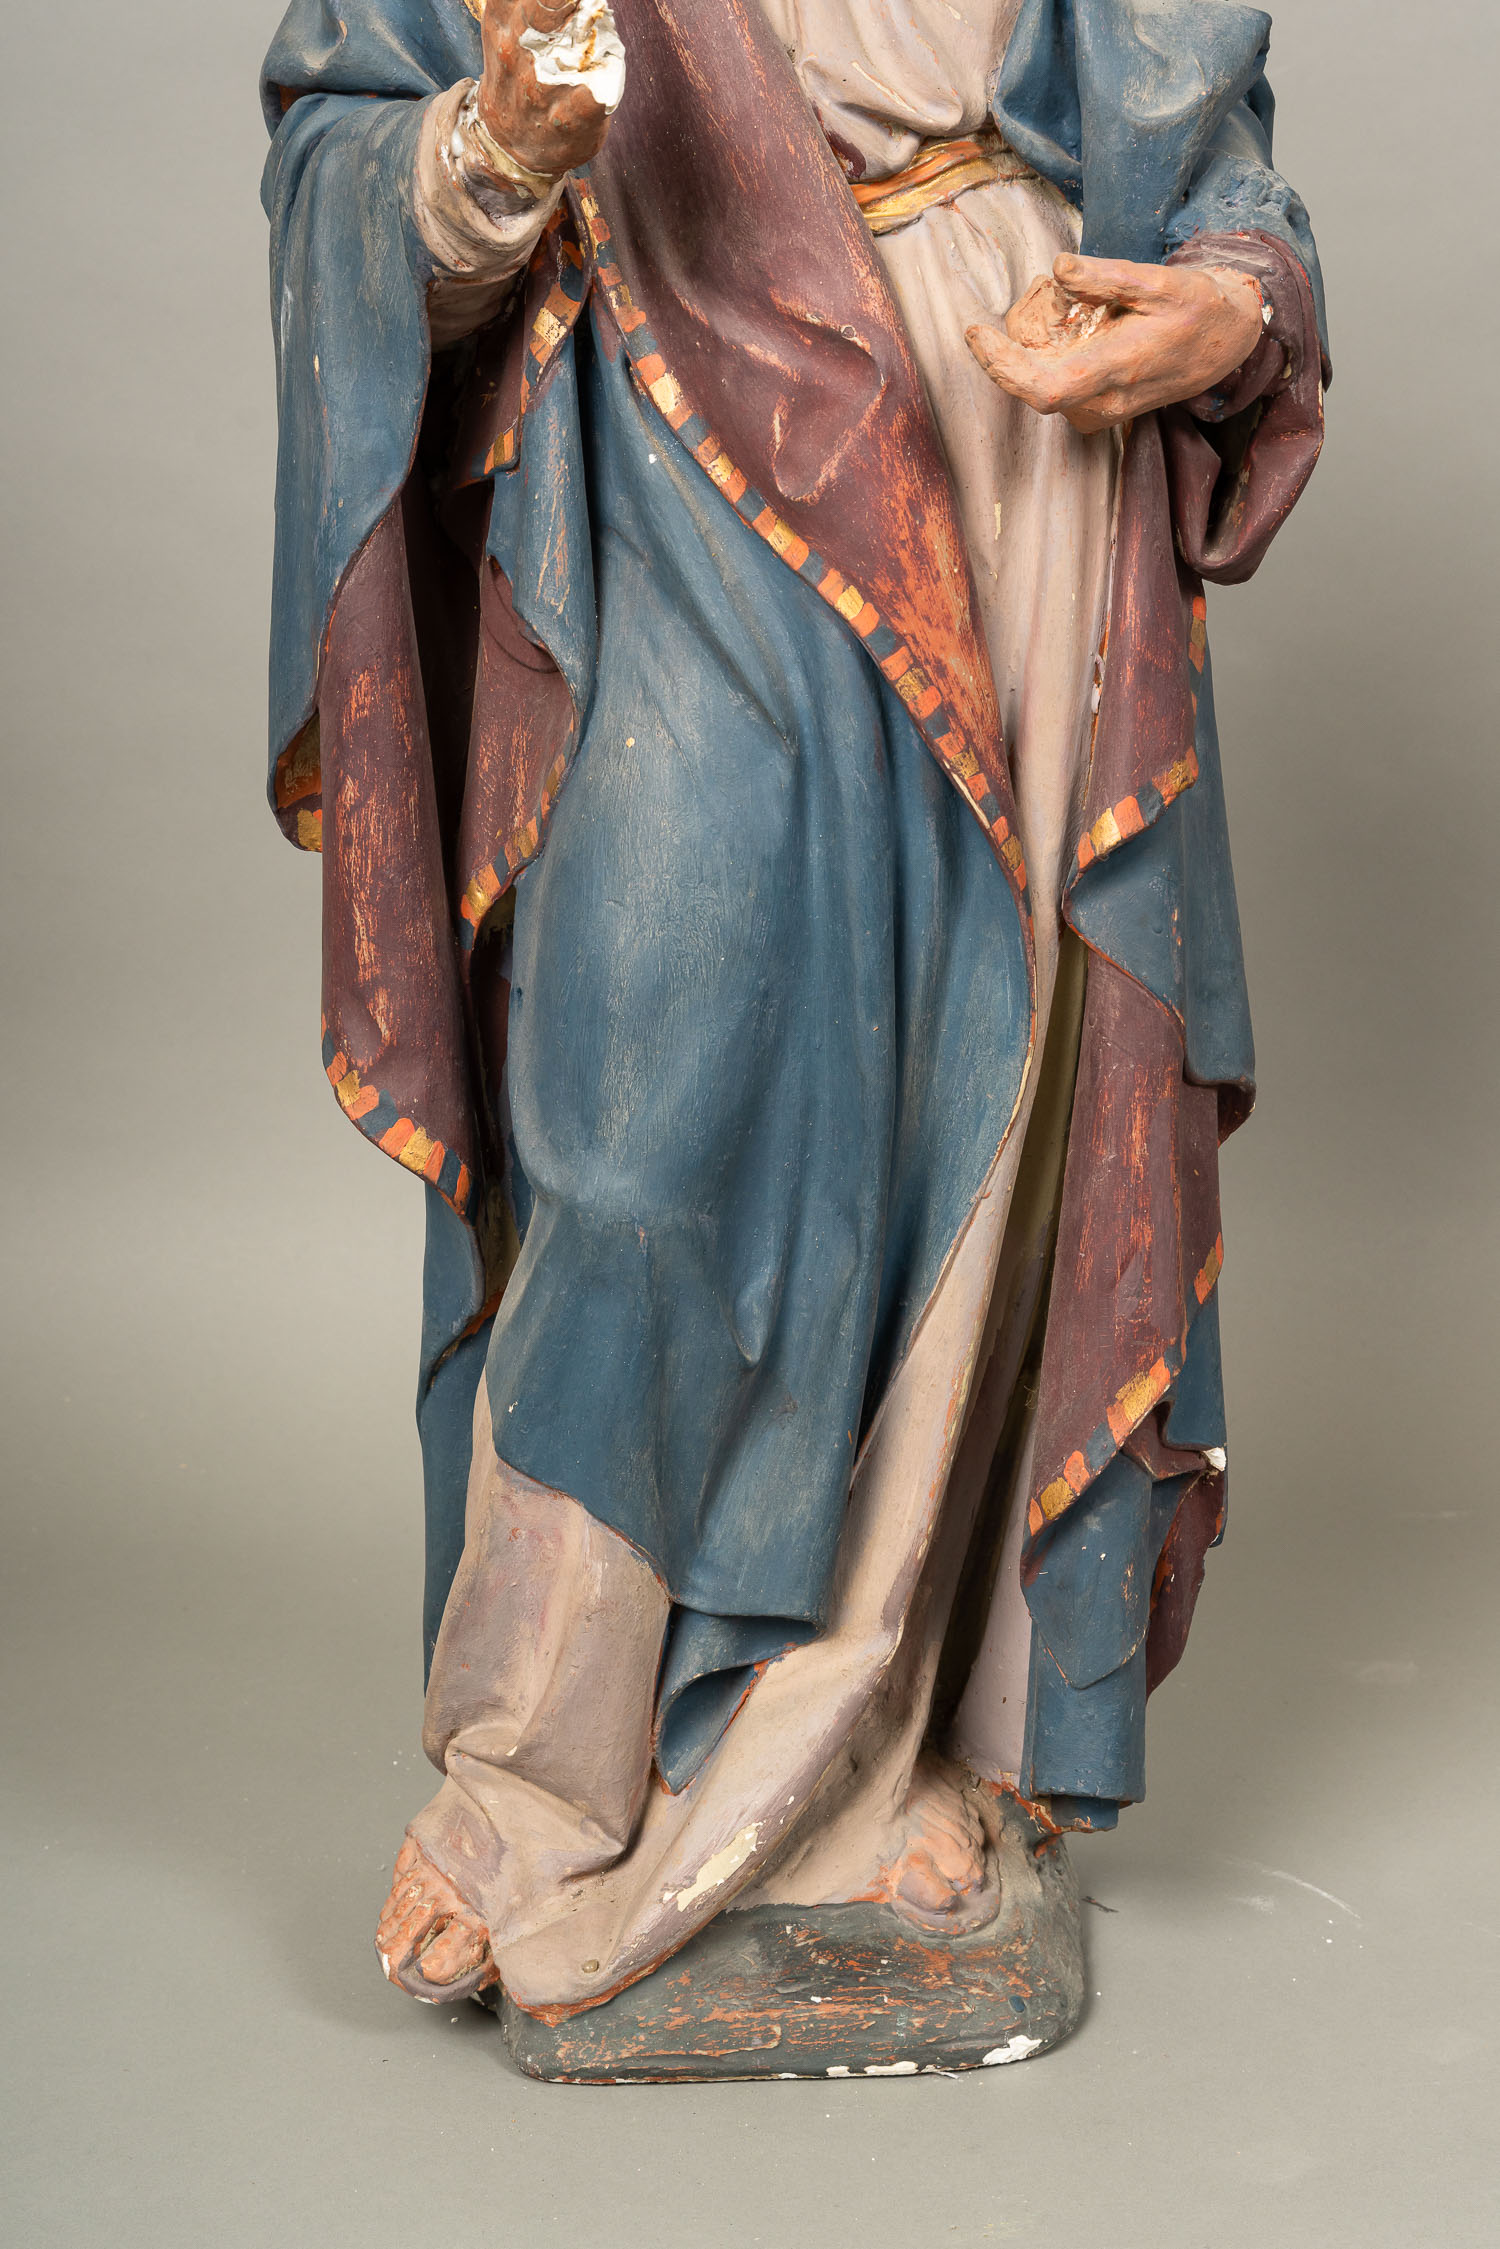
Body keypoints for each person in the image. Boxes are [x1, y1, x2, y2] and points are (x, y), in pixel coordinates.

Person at [261, 0, 1327, 2034]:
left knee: (973, 1108)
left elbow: (1213, 155)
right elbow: (348, 151)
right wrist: (491, 154)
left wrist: (1229, 304)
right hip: (686, 370)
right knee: (640, 1110)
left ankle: (875, 1742)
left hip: (1015, 409)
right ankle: (535, 1771)